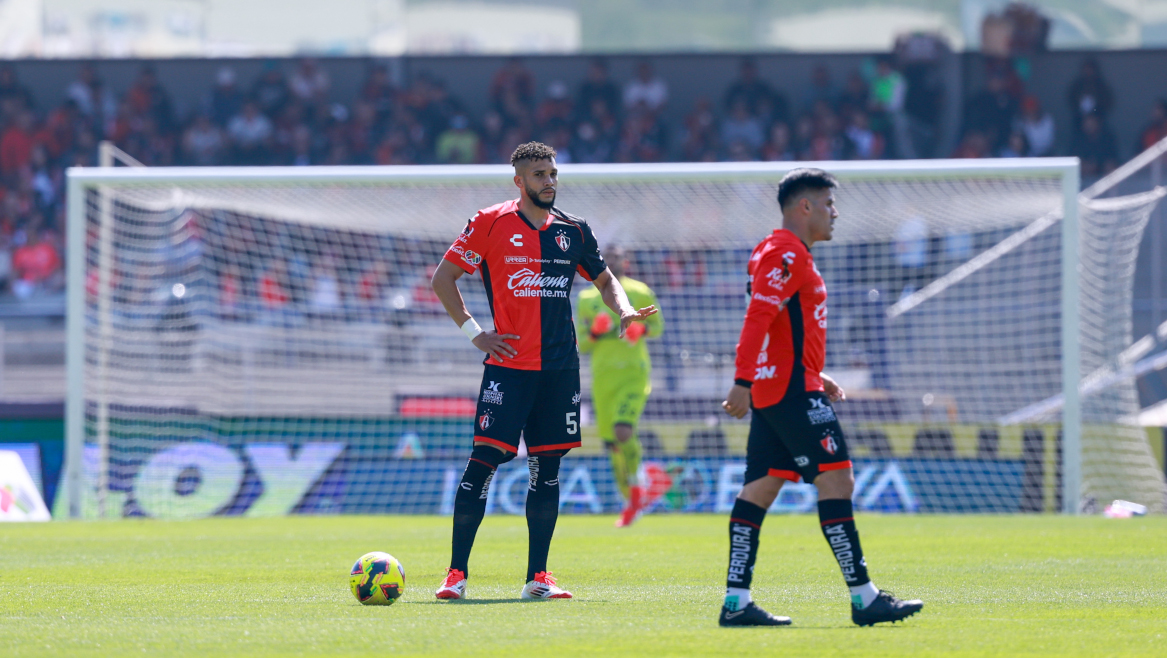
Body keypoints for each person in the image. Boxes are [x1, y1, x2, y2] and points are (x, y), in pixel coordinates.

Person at [430, 141, 656, 601]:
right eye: (539, 174)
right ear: (519, 180)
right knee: (483, 463)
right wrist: (475, 332)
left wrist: (625, 310)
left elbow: (605, 278)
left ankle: (538, 577)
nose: (548, 181)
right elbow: (443, 278)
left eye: (552, 173)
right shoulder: (490, 222)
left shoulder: (573, 231)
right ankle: (456, 575)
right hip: (509, 369)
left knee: (546, 469)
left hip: (558, 369)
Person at [718, 168, 923, 627]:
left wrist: (813, 371)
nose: (835, 213)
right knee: (837, 480)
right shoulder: (786, 254)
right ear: (804, 206)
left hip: (785, 384)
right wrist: (742, 381)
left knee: (760, 489)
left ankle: (735, 603)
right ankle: (865, 598)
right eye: (829, 204)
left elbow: (779, 327)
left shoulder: (775, 252)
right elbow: (757, 320)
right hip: (788, 391)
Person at [575, 246, 663, 527]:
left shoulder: (640, 291)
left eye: (616, 257)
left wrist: (643, 329)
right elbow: (582, 343)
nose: (612, 262)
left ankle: (637, 486)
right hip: (603, 377)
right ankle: (631, 500)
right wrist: (595, 332)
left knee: (623, 430)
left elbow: (657, 327)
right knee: (612, 444)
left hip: (633, 374)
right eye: (606, 258)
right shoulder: (587, 298)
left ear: (625, 261)